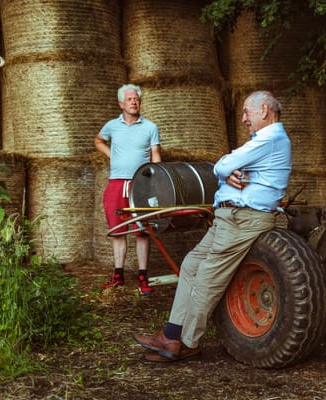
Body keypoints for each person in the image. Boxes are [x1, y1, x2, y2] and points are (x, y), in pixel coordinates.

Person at [133, 90, 292, 362]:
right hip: (229, 218)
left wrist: (224, 171)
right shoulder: (263, 142)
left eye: (246, 112)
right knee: (191, 264)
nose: (243, 119)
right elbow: (227, 169)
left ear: (264, 110)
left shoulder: (272, 139)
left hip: (244, 219)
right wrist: (226, 173)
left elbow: (223, 164)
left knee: (206, 275)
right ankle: (171, 334)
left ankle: (184, 342)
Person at [94, 83, 162, 296]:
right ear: (121, 103)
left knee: (142, 230)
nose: (134, 102)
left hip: (140, 184)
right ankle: (118, 276)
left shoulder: (150, 127)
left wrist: (156, 182)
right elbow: (98, 141)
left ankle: (143, 276)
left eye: (137, 99)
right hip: (116, 183)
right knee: (117, 231)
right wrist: (112, 155)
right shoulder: (112, 126)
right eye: (130, 99)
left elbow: (156, 156)